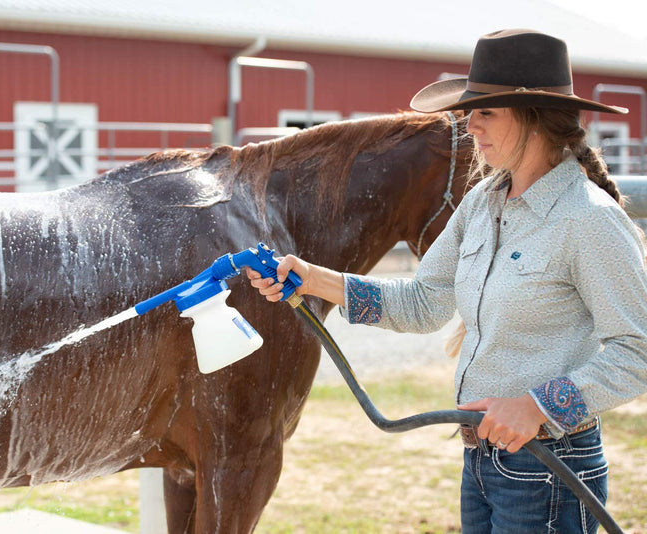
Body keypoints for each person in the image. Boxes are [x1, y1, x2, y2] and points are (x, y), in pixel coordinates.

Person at [246, 29, 647, 533]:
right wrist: (314, 280)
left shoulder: (589, 220)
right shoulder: (482, 203)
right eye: (469, 110)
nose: (468, 123)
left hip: (550, 465)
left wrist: (537, 408)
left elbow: (637, 351)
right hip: (482, 459)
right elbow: (424, 302)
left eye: (485, 112)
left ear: (535, 119)